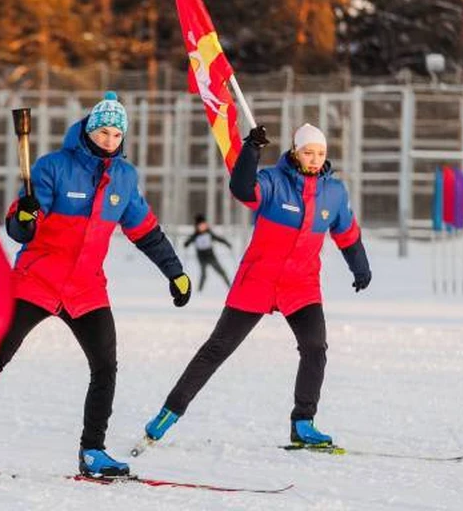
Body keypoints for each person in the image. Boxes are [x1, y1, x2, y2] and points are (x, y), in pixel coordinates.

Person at [0, 92, 192, 478]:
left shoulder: (125, 178)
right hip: (37, 280)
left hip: (86, 289)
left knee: (105, 367)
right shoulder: (53, 167)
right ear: (88, 130)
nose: (109, 141)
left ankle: (93, 452)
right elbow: (20, 228)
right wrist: (26, 218)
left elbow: (145, 232)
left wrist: (175, 271)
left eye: (117, 134)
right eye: (103, 132)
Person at [139, 123, 371, 449]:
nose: (315, 159)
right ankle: (169, 413)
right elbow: (243, 189)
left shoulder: (333, 192)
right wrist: (251, 150)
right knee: (217, 349)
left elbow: (346, 232)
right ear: (295, 151)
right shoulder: (273, 182)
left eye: (320, 153)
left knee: (315, 348)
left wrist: (360, 266)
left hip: (300, 284)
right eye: (308, 152)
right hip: (258, 280)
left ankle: (303, 423)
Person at [184, 214, 233, 290]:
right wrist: (186, 244)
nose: (203, 227)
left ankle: (230, 287)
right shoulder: (195, 235)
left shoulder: (209, 233)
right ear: (197, 226)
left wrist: (226, 243)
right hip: (202, 258)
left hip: (211, 257)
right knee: (204, 274)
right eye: (201, 225)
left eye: (204, 225)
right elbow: (188, 242)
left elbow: (218, 238)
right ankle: (199, 291)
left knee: (222, 272)